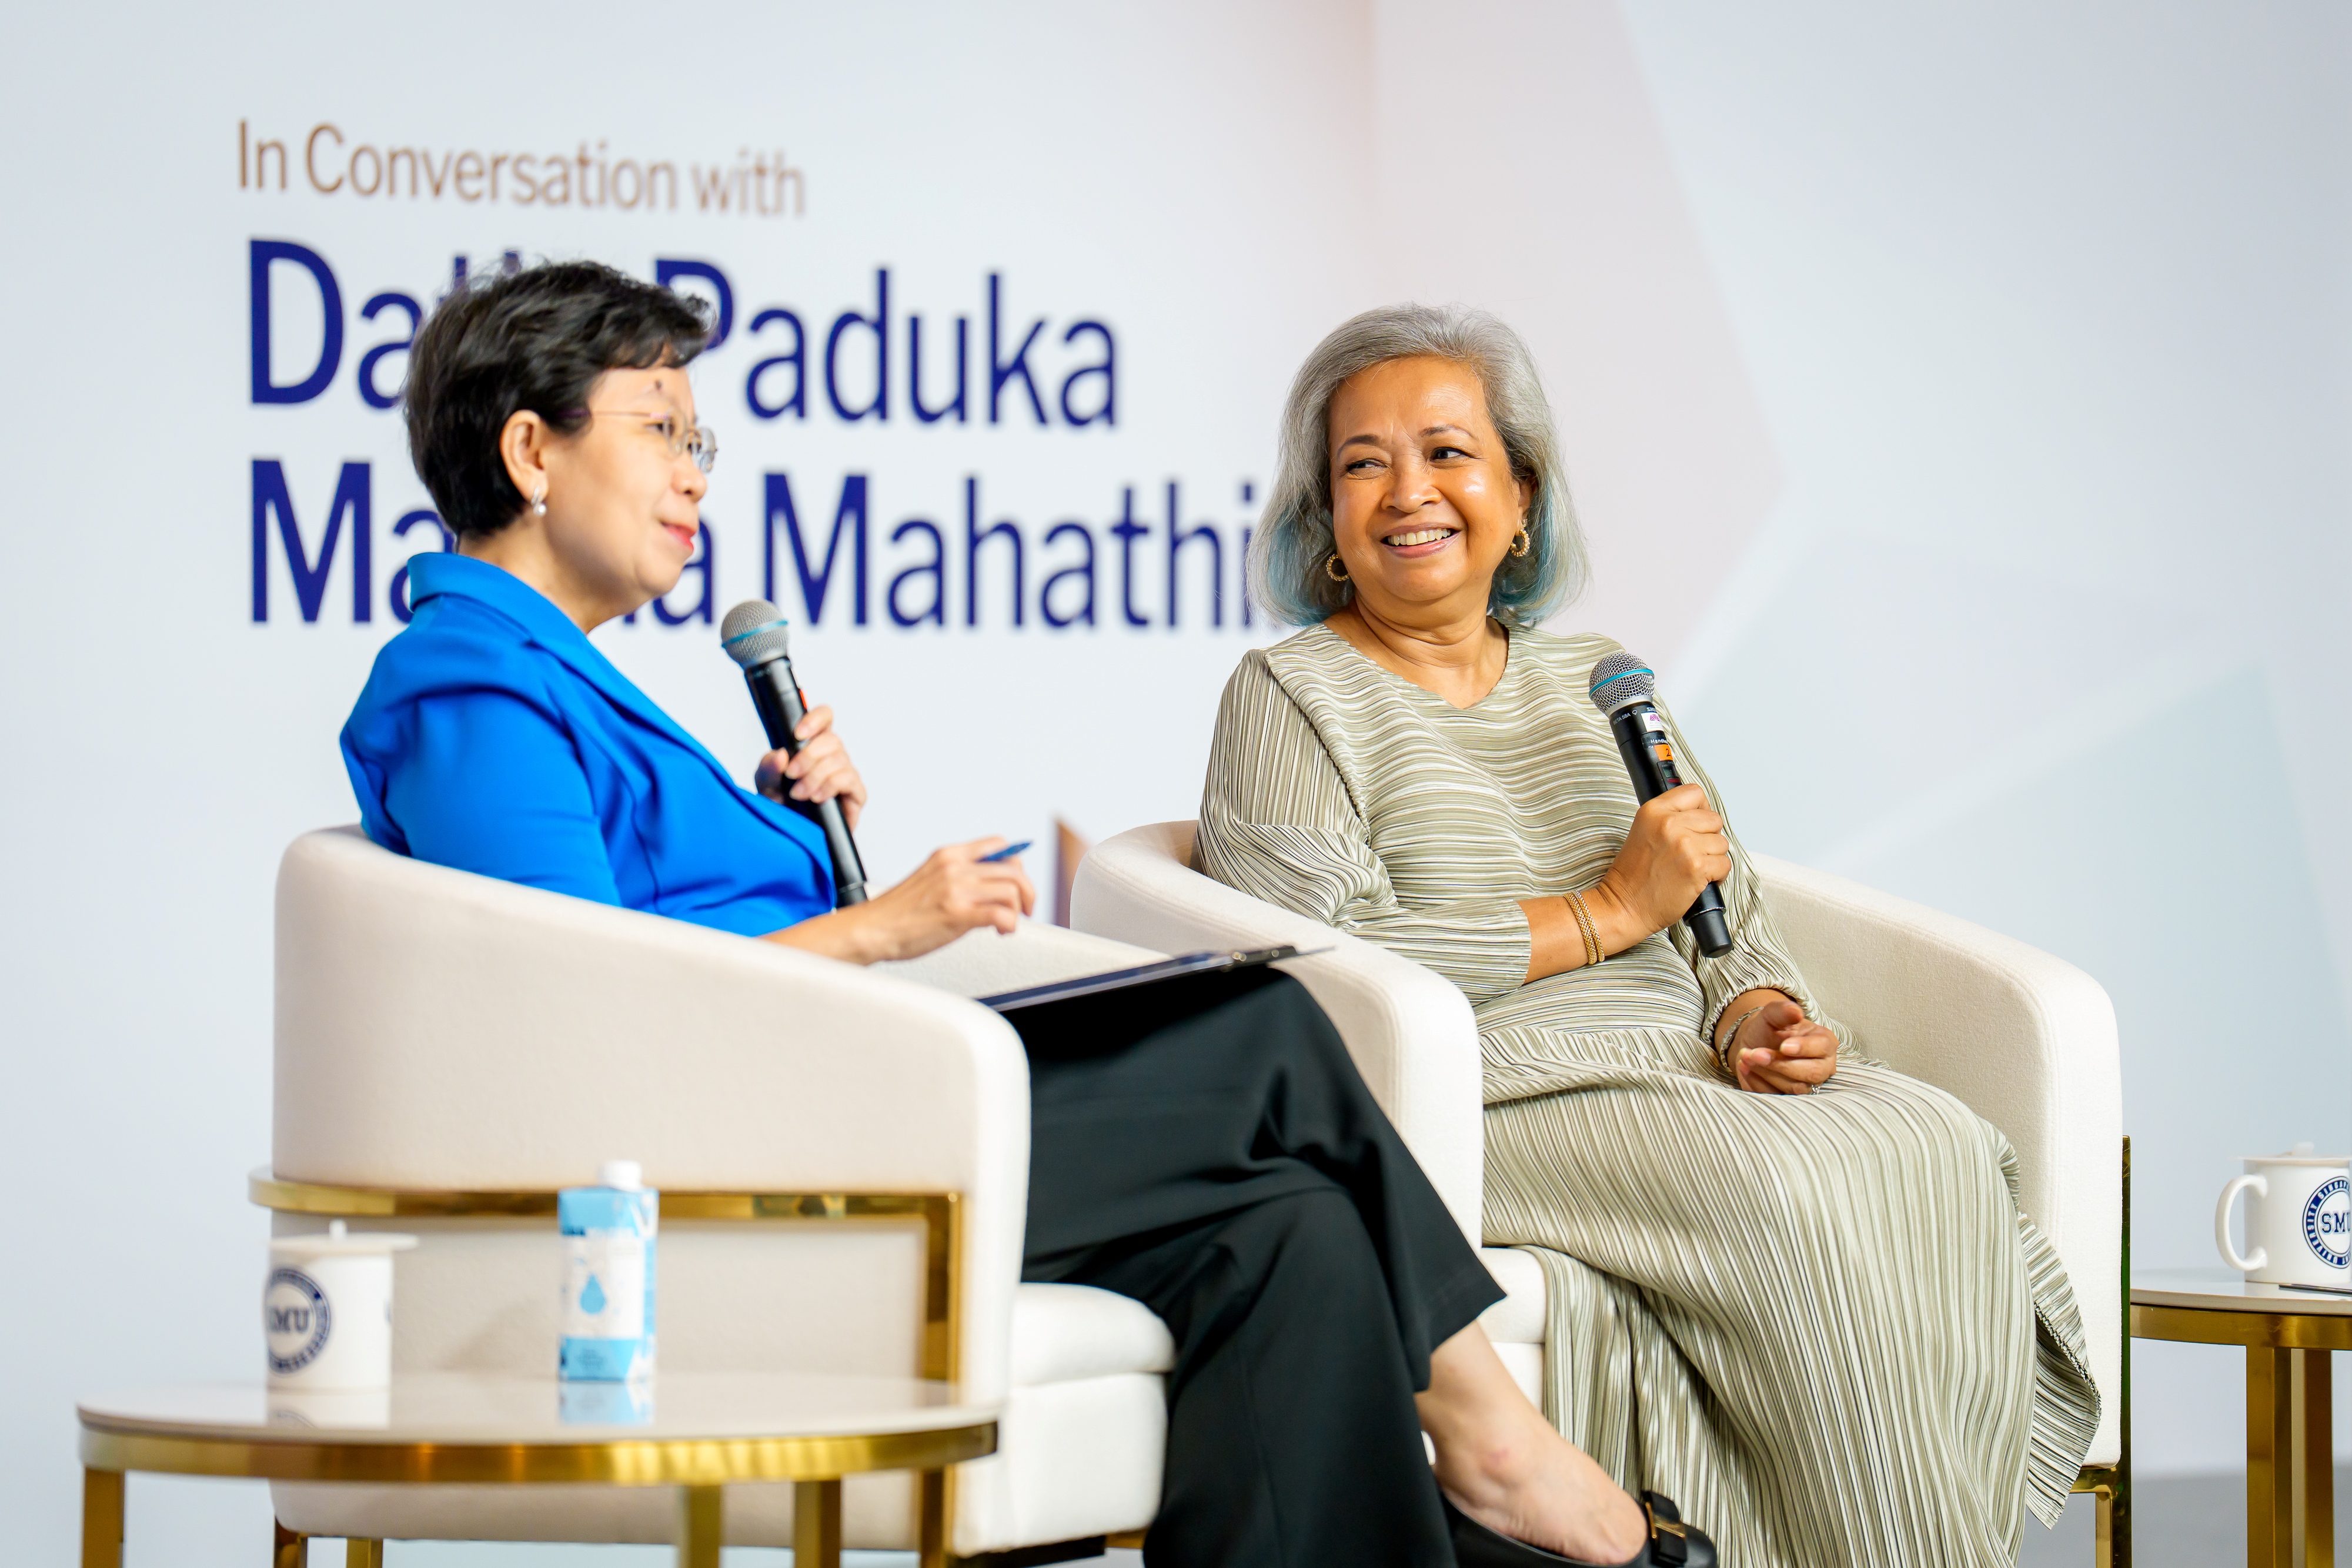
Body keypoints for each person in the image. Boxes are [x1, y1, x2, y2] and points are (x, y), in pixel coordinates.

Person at [339, 262, 1715, 1568]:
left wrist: (797, 842)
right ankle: (1493, 1444)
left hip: (842, 1104)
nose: (695, 471)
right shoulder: (468, 677)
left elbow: (662, 930)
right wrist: (882, 925)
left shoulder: (553, 676)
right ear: (532, 453)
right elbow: (593, 1009)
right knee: (1264, 1030)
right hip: (742, 1170)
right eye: (660, 429)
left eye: (700, 438)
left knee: (1289, 1232)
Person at [1194, 303, 2102, 1568]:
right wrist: (1602, 914)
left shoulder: (1603, 680)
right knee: (1787, 1192)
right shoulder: (1289, 693)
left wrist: (1756, 1014)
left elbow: (1727, 913)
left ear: (1520, 497)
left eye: (1448, 453)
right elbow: (1319, 966)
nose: (1409, 492)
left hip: (1680, 1066)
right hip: (1488, 1091)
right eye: (1363, 463)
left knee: (1934, 1141)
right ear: (1324, 518)